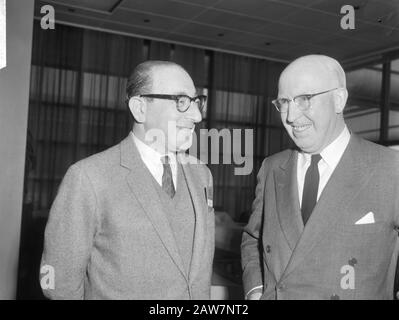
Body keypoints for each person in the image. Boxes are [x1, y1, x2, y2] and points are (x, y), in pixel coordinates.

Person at [40, 61, 215, 299]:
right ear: (140, 108)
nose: (196, 116)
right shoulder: (88, 177)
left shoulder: (201, 175)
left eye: (197, 102)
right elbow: (59, 284)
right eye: (181, 101)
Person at [241, 54, 399, 300]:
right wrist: (256, 290)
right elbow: (253, 238)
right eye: (284, 102)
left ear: (339, 100)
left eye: (304, 99)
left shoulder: (390, 169)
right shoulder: (272, 167)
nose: (291, 116)